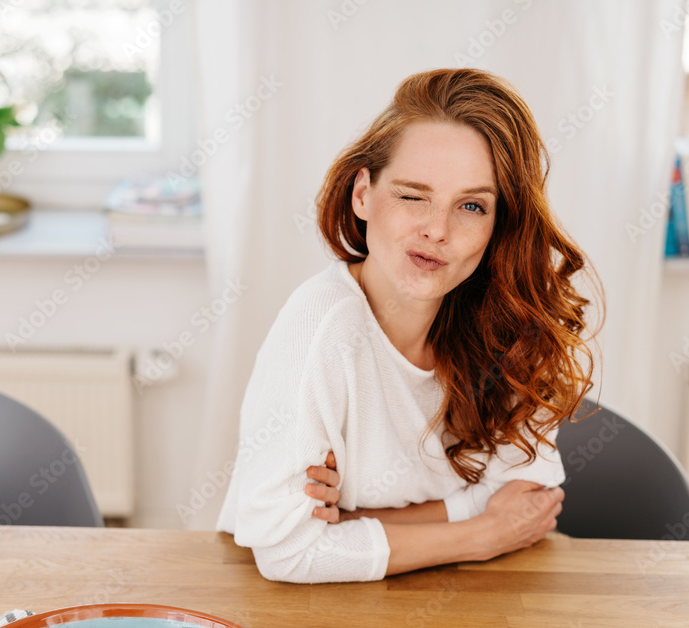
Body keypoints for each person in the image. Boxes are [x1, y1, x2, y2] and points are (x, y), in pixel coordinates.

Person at [216, 68, 598, 584]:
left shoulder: (509, 322)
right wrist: (481, 534)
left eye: (471, 206)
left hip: (475, 601)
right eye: (413, 196)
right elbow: (287, 551)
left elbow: (528, 496)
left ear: (497, 225)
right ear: (362, 195)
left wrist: (352, 521)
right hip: (310, 613)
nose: (437, 230)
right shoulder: (319, 326)